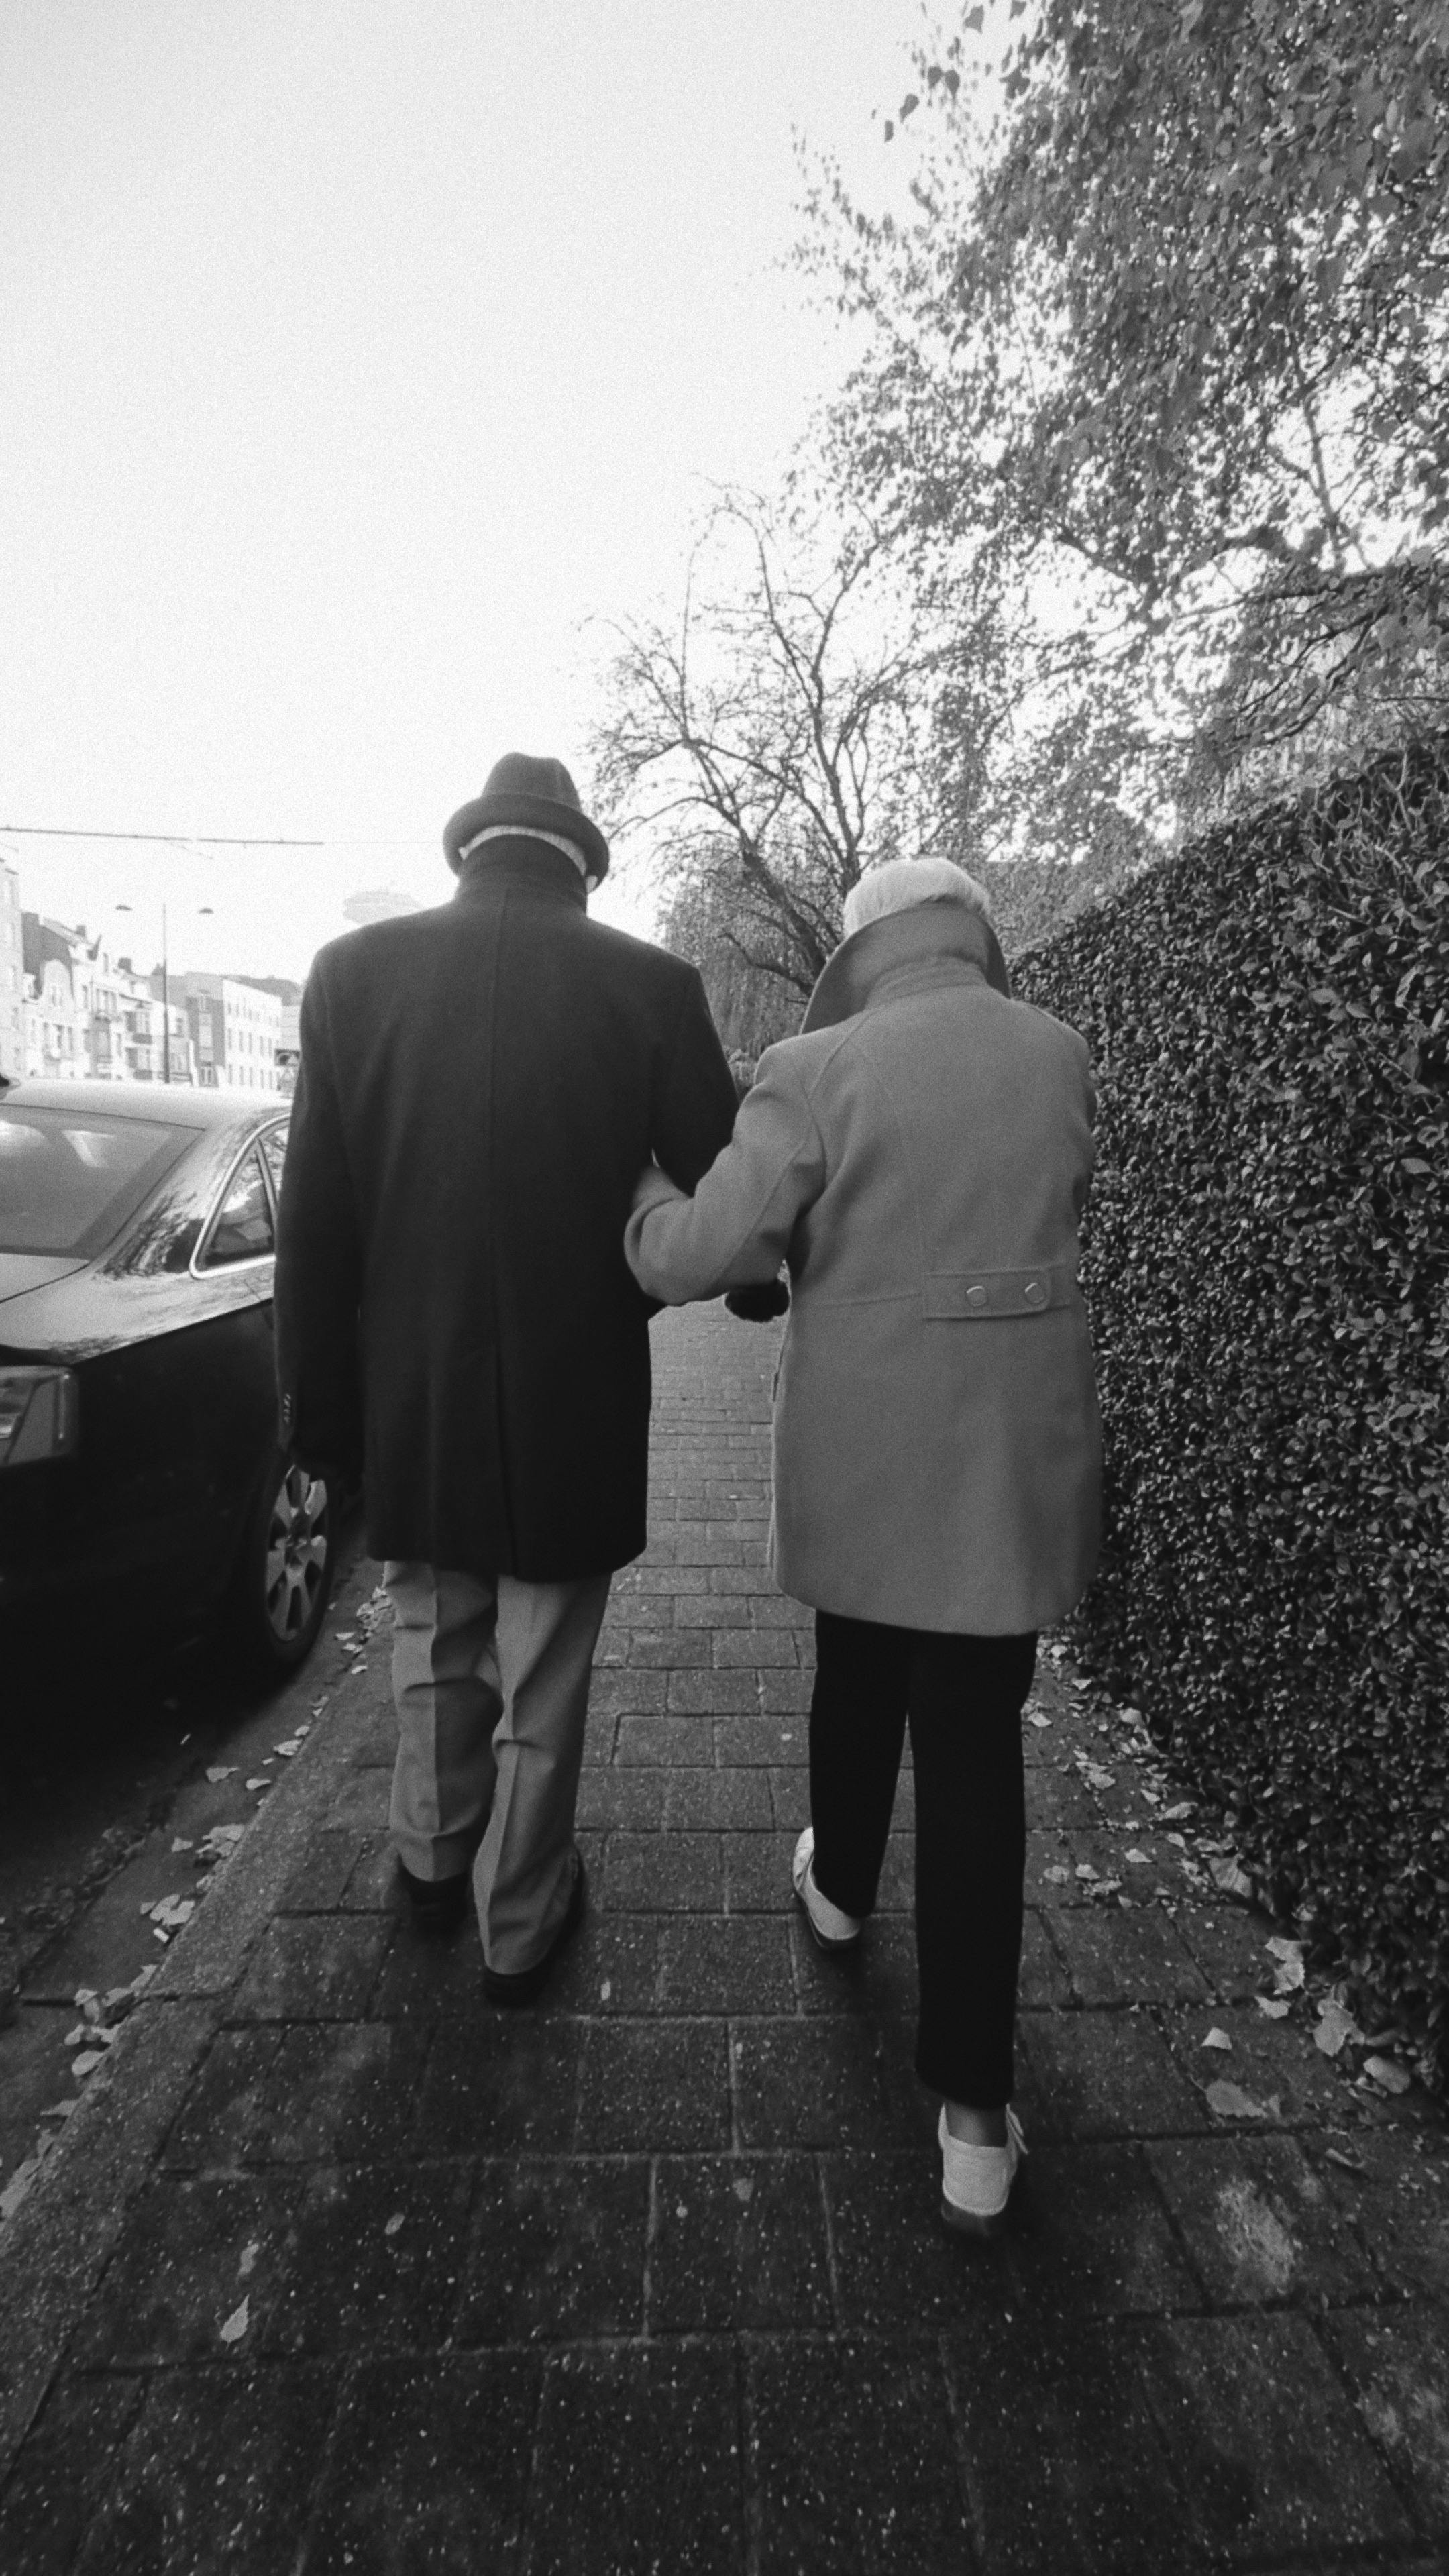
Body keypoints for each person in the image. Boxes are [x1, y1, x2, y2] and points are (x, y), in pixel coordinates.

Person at [625, 857, 1101, 2231]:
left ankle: (837, 1890)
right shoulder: (1061, 1053)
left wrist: (645, 1190)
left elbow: (701, 1250)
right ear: (971, 933)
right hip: (1008, 1469)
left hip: (870, 1456)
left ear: (860, 949)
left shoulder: (814, 1063)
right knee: (973, 1753)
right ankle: (973, 2119)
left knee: (856, 1669)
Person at [274, 753, 737, 2000]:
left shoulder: (351, 976)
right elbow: (721, 1174)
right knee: (544, 1659)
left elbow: (313, 1219)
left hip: (411, 1385)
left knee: (431, 1628)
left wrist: (321, 1417)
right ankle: (519, 1921)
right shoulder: (651, 984)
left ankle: (430, 1862)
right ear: (582, 862)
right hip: (573, 1386)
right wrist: (754, 1287)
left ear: (470, 846)